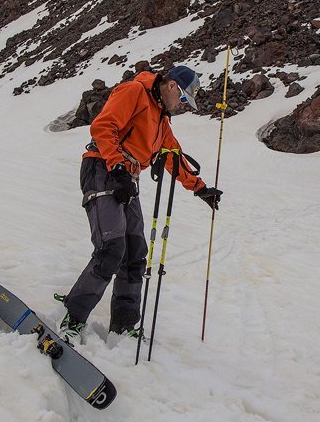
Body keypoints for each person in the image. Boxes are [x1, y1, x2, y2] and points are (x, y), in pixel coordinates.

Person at [58, 65, 223, 340]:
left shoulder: (162, 118)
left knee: (135, 252)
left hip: (126, 177)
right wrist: (118, 169)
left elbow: (172, 156)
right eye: (182, 98)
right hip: (102, 167)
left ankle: (123, 325)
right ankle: (74, 317)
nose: (182, 105)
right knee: (112, 247)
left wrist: (201, 189)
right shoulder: (134, 91)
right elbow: (103, 126)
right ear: (171, 86)